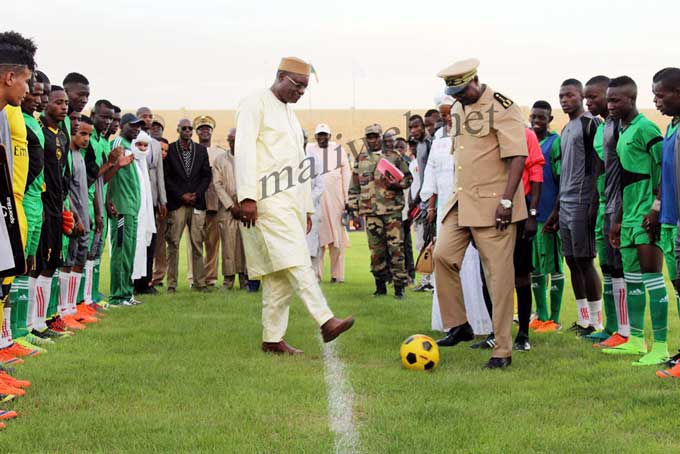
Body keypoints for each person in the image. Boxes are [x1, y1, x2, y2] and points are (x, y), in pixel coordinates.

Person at [234, 56, 354, 354]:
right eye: (297, 85)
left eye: (304, 88)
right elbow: (245, 150)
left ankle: (272, 339)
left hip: (290, 203)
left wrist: (307, 208)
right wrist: (247, 197)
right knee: (296, 258)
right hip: (265, 199)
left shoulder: (289, 114)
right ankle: (326, 320)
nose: (300, 92)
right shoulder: (254, 103)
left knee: (279, 275)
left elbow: (299, 165)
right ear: (280, 76)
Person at [433, 58, 528, 369]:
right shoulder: (460, 108)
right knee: (443, 256)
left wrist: (507, 202)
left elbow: (517, 157)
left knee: (499, 279)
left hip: (494, 204)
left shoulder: (504, 107)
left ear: (475, 81)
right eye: (454, 93)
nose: (457, 98)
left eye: (462, 91)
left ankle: (502, 349)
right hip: (461, 202)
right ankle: (459, 324)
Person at [604, 76, 668, 366]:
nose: (610, 105)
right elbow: (622, 182)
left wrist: (655, 209)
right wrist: (617, 219)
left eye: (615, 100)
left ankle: (662, 347)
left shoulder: (646, 128)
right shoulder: (622, 131)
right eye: (609, 100)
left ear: (632, 99)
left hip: (647, 216)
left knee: (652, 278)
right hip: (628, 217)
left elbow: (665, 171)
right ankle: (636, 340)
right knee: (631, 281)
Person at [420, 95, 489, 335]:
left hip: (470, 206)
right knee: (445, 261)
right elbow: (432, 173)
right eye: (444, 114)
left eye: (451, 112)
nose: (447, 117)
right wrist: (430, 205)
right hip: (443, 211)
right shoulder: (438, 139)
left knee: (471, 261)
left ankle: (478, 321)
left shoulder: (473, 133)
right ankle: (453, 323)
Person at [544, 79, 603, 336]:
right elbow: (564, 174)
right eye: (561, 96)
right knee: (571, 260)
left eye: (569, 95)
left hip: (582, 201)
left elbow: (599, 164)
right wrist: (556, 210)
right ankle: (582, 319)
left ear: (580, 96)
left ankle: (597, 321)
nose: (564, 100)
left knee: (585, 260)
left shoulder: (591, 123)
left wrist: (594, 201)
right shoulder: (566, 129)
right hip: (565, 203)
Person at [584, 76, 628, 347]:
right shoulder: (601, 128)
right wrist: (595, 202)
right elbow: (600, 167)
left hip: (620, 203)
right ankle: (612, 326)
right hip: (604, 203)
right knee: (608, 266)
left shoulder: (620, 126)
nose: (590, 102)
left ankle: (626, 331)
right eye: (587, 97)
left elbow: (624, 168)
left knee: (622, 269)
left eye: (595, 96)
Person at [348, 124, 413, 299]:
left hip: (391, 211)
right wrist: (354, 210)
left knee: (396, 250)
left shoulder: (394, 157)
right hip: (371, 212)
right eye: (369, 137)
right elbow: (354, 187)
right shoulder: (360, 159)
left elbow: (408, 179)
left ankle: (399, 288)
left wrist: (398, 185)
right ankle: (380, 286)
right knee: (376, 251)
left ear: (381, 137)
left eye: (376, 136)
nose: (373, 140)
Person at [650, 67, 680, 378]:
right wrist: (658, 211)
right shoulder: (670, 127)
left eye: (661, 95)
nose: (656, 101)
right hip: (670, 219)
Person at [528, 101, 566, 334]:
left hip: (550, 214)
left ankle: (554, 318)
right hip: (531, 214)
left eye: (542, 117)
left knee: (554, 266)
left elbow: (563, 179)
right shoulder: (529, 141)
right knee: (535, 268)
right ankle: (540, 316)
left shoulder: (556, 143)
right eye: (533, 117)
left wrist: (557, 211)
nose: (537, 121)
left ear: (550, 119)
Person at [163, 118, 212, 293]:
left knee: (198, 243)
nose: (187, 131)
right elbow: (167, 177)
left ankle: (200, 283)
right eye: (184, 128)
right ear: (178, 129)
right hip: (178, 203)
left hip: (197, 202)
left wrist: (196, 194)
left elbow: (206, 175)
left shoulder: (200, 150)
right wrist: (181, 195)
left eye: (190, 128)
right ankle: (171, 284)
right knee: (174, 243)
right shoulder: (171, 150)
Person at [105, 113, 143, 306]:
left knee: (129, 250)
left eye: (139, 126)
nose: (137, 128)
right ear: (122, 125)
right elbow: (110, 170)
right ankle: (117, 296)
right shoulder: (118, 144)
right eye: (133, 125)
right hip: (121, 207)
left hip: (131, 207)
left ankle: (127, 293)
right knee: (121, 251)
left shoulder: (129, 146)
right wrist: (109, 198)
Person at [306, 123, 351, 283]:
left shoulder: (339, 150)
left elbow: (346, 176)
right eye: (319, 135)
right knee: (317, 240)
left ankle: (337, 275)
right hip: (317, 204)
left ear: (329, 136)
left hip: (336, 203)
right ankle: (315, 276)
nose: (322, 138)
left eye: (325, 135)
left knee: (337, 242)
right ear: (316, 137)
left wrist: (347, 200)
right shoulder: (310, 150)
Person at [133, 107, 166, 294]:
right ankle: (134, 282)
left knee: (151, 241)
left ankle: (146, 282)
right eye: (144, 116)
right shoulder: (133, 141)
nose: (147, 119)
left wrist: (163, 200)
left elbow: (159, 172)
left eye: (149, 116)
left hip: (152, 198)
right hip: (137, 198)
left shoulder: (154, 143)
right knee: (137, 241)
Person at [212, 128, 247, 289]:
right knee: (228, 245)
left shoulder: (249, 159)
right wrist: (231, 206)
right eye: (231, 140)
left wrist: (245, 204)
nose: (233, 143)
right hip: (227, 210)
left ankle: (246, 279)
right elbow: (217, 185)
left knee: (245, 245)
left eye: (236, 140)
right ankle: (228, 280)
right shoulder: (220, 160)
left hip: (246, 209)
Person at [194, 115, 223, 287]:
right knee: (194, 243)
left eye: (207, 128)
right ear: (197, 132)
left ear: (212, 131)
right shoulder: (192, 150)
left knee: (213, 242)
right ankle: (194, 278)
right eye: (201, 128)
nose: (205, 131)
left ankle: (210, 278)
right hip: (196, 201)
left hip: (214, 202)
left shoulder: (219, 152)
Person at [408, 114, 433, 291]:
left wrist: (418, 200)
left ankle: (431, 282)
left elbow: (431, 178)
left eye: (417, 126)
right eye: (411, 128)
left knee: (431, 241)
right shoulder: (422, 146)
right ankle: (427, 281)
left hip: (430, 200)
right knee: (424, 241)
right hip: (423, 202)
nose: (414, 130)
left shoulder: (431, 143)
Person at [130, 131, 156, 289]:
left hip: (143, 213)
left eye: (145, 145)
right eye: (138, 144)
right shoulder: (130, 160)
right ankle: (126, 288)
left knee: (140, 249)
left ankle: (136, 286)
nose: (142, 148)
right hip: (131, 212)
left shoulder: (143, 162)